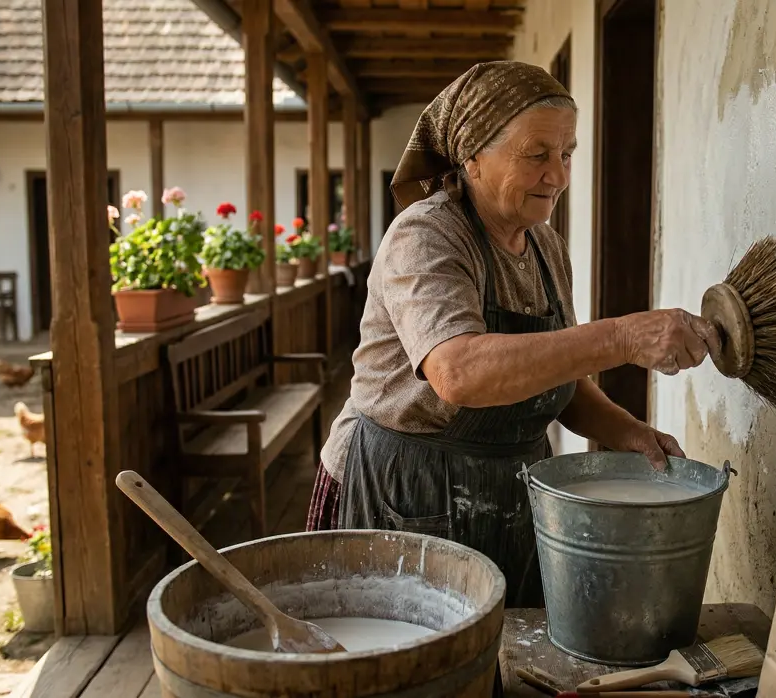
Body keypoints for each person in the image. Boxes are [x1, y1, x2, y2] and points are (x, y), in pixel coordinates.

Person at [305, 61, 719, 608]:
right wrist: (620, 338)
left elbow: (561, 378)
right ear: (472, 156)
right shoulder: (426, 236)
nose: (559, 176)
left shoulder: (545, 248)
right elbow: (459, 372)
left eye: (567, 153)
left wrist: (627, 431)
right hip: (402, 491)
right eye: (537, 155)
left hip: (508, 490)